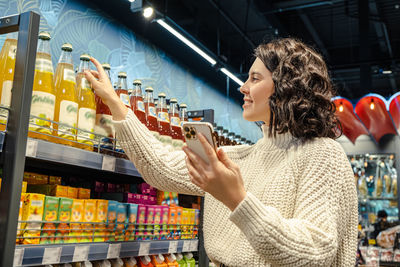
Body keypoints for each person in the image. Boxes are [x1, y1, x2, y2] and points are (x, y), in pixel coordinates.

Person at [85, 38, 358, 266]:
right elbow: (161, 168)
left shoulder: (323, 155)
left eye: (255, 78)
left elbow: (315, 253)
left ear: (288, 86)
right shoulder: (238, 157)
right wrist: (115, 104)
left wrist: (236, 198)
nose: (243, 87)